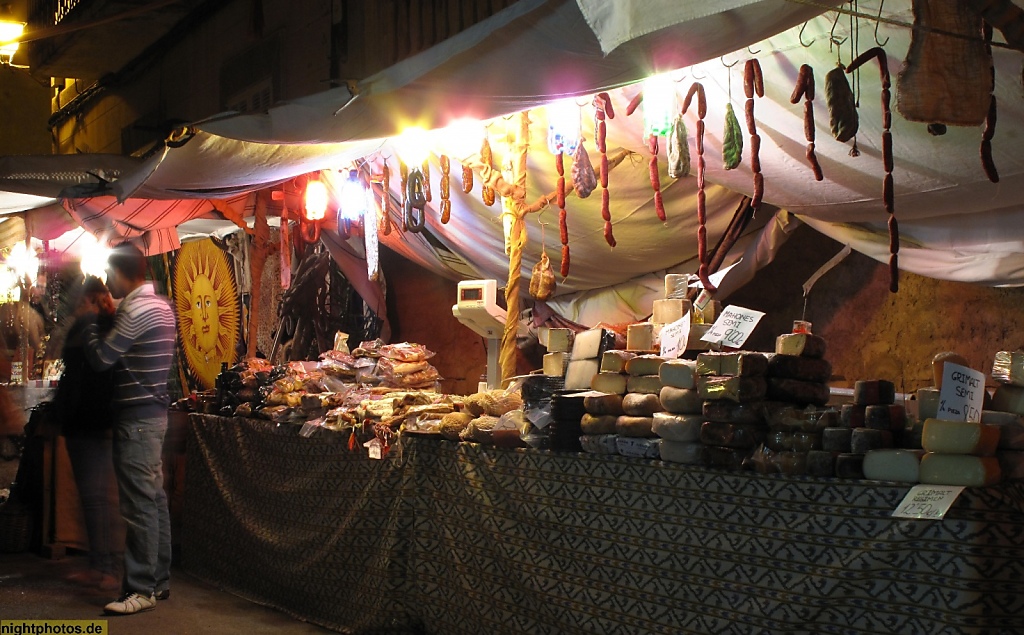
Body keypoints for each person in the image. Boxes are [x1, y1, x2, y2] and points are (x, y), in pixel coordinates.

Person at [78, 243, 176, 616]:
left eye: (109, 273)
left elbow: (102, 359)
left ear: (121, 272)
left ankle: (141, 589)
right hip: (154, 416)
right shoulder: (161, 306)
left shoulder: (135, 309)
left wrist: (89, 321)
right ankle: (160, 580)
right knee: (154, 500)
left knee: (139, 506)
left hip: (137, 420)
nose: (107, 281)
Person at [53, 276, 121, 592]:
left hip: (90, 420)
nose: (78, 306)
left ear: (92, 299)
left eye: (83, 300)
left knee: (95, 499)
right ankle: (97, 565)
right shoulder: (97, 327)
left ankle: (104, 569)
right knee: (92, 498)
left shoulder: (93, 328)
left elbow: (87, 375)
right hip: (86, 420)